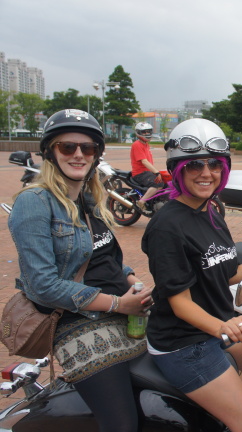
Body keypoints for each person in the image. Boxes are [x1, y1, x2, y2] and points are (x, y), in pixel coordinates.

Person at [141, 118, 242, 432]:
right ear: (178, 168)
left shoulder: (210, 211)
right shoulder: (168, 227)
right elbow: (181, 305)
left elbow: (227, 272)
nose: (206, 173)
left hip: (215, 328)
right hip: (183, 342)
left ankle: (236, 424)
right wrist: (225, 326)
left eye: (214, 164)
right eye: (194, 165)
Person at [8, 109, 153, 432]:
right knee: (122, 424)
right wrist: (118, 304)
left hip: (120, 312)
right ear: (49, 152)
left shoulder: (86, 197)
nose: (78, 155)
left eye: (87, 148)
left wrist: (133, 281)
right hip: (77, 324)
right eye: (67, 147)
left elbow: (103, 257)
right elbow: (42, 285)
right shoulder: (35, 202)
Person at [130, 122, 164, 212]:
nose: (147, 134)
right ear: (138, 133)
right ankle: (142, 201)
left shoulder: (145, 144)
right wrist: (156, 172)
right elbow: (144, 161)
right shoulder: (137, 144)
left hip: (147, 173)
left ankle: (154, 202)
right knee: (158, 183)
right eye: (144, 132)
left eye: (148, 131)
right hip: (140, 173)